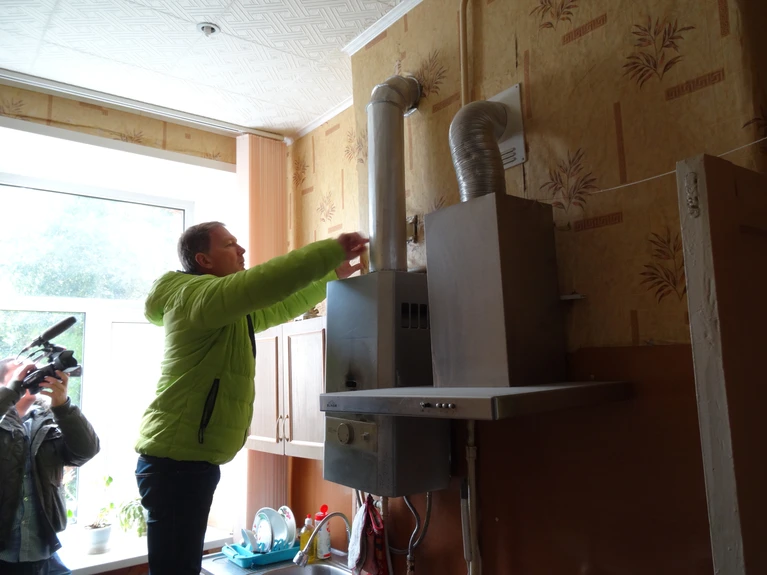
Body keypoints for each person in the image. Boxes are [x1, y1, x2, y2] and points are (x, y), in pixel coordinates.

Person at [135, 221, 368, 575]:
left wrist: (330, 277)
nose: (241, 250)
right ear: (204, 260)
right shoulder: (198, 298)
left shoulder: (220, 309)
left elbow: (277, 306)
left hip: (183, 462)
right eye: (229, 244)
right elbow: (266, 282)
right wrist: (331, 250)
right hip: (176, 465)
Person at [0, 358, 100, 575]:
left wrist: (63, 406)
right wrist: (13, 392)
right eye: (22, 370)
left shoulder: (49, 421)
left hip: (44, 554)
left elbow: (86, 451)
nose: (32, 375)